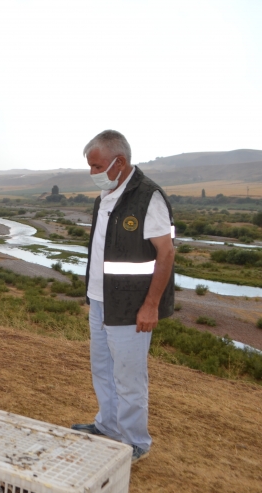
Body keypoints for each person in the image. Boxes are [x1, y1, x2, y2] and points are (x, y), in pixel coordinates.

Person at [71, 130, 175, 464]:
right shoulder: (105, 198)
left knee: (129, 376)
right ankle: (108, 427)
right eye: (90, 167)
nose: (93, 173)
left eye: (97, 166)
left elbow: (166, 253)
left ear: (120, 162)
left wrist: (151, 305)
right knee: (102, 368)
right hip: (100, 300)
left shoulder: (148, 197)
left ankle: (135, 442)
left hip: (131, 306)